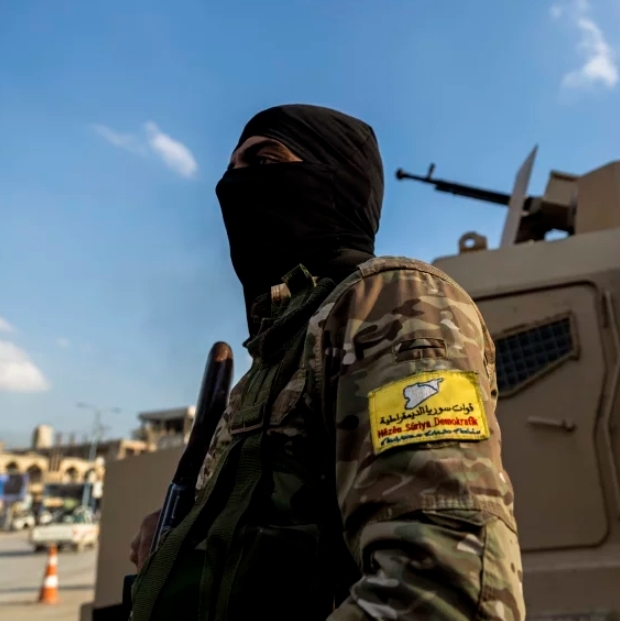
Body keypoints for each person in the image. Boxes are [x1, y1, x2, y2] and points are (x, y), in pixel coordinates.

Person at [128, 104, 525, 621]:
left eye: (264, 162)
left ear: (336, 181)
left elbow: (444, 590)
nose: (233, 185)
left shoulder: (391, 302)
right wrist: (190, 535)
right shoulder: (275, 356)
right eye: (231, 169)